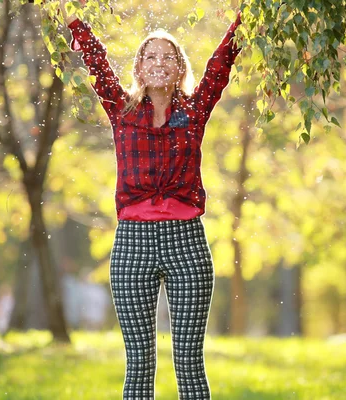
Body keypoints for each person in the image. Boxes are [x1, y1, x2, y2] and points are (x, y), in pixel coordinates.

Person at [60, 1, 243, 398]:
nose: (159, 62)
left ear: (180, 69)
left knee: (188, 363)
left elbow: (219, 67)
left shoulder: (192, 112)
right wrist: (74, 20)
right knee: (139, 363)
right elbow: (97, 65)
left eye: (168, 56)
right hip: (132, 245)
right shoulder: (121, 109)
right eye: (150, 56)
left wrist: (246, 21)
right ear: (140, 68)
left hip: (187, 242)